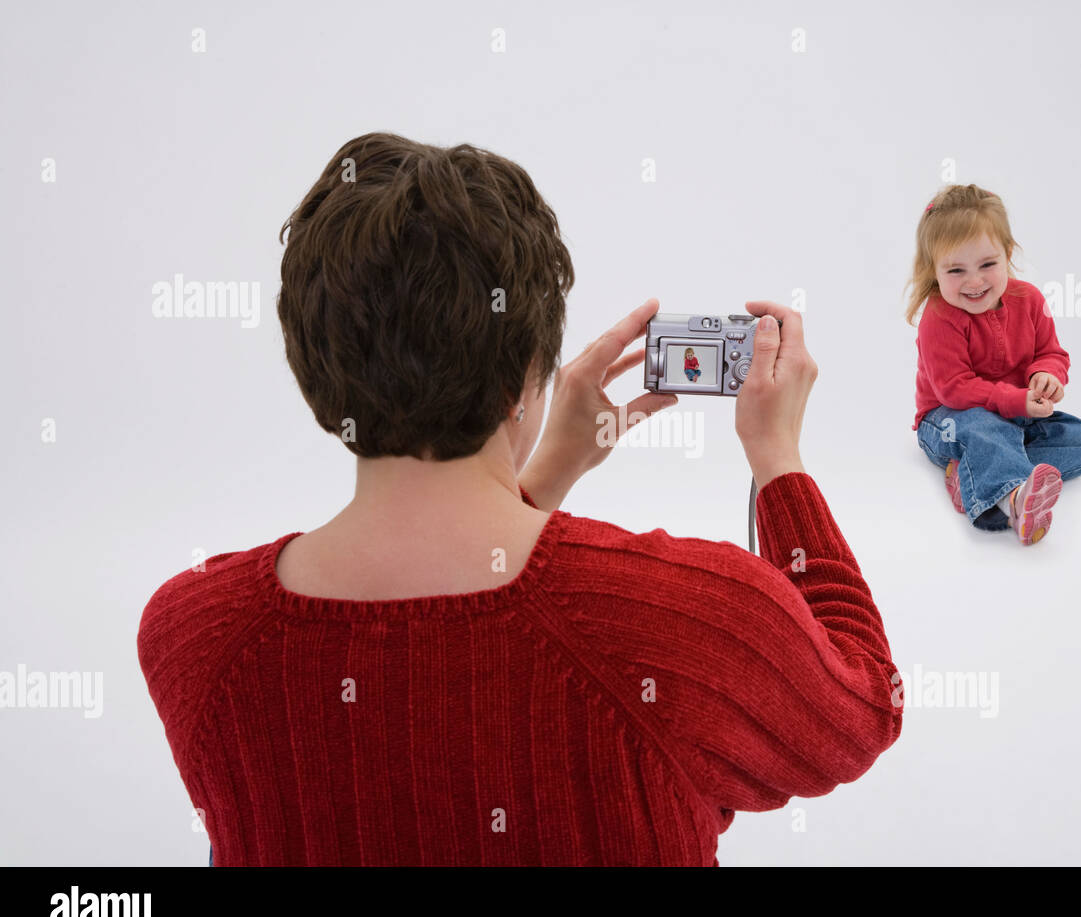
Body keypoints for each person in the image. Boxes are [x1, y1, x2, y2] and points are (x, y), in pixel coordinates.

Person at [138, 132, 903, 866]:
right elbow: (865, 704)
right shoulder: (689, 620)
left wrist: (539, 478)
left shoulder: (192, 636)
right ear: (522, 381)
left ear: (313, 375)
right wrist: (779, 460)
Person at [907, 184, 1081, 544]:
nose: (974, 281)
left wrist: (1046, 376)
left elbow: (1052, 353)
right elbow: (954, 389)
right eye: (956, 270)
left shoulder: (1030, 300)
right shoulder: (939, 317)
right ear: (934, 270)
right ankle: (1012, 501)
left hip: (1015, 415)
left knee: (1077, 438)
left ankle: (972, 473)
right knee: (983, 427)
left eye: (988, 264)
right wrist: (1015, 401)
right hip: (948, 420)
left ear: (1008, 254)